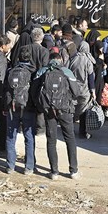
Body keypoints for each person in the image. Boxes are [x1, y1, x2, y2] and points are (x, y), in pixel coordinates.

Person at [31, 52, 80, 180]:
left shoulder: (42, 71)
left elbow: (33, 91)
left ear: (50, 60)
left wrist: (41, 106)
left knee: (51, 140)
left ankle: (54, 172)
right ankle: (73, 171)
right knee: (70, 138)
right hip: (65, 109)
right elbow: (76, 92)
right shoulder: (66, 71)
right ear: (60, 60)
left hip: (48, 111)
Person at [3, 46, 37, 175]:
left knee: (11, 136)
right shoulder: (33, 72)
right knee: (29, 137)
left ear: (18, 58)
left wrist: (5, 107)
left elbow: (6, 90)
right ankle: (29, 167)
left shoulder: (11, 71)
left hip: (12, 106)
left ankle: (10, 166)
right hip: (28, 107)